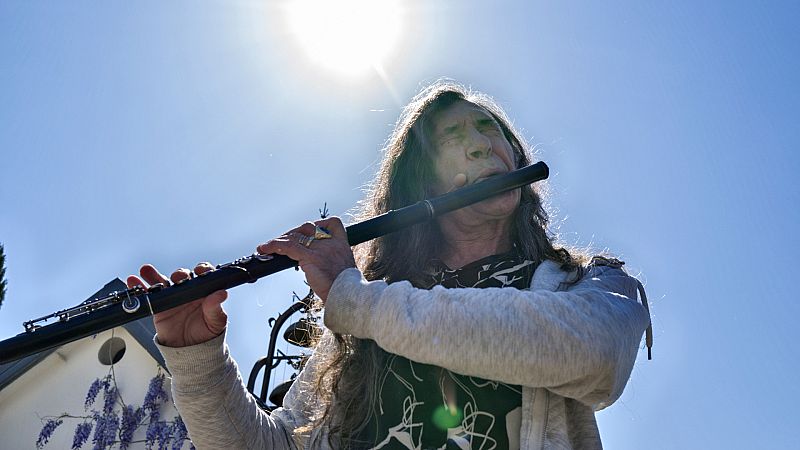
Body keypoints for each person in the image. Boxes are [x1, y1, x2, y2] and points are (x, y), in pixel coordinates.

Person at [128, 80, 652, 450]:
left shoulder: (584, 282)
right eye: (452, 138)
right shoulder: (361, 318)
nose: (480, 146)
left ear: (517, 160)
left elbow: (595, 355)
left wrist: (352, 297)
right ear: (419, 182)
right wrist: (198, 361)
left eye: (489, 130)